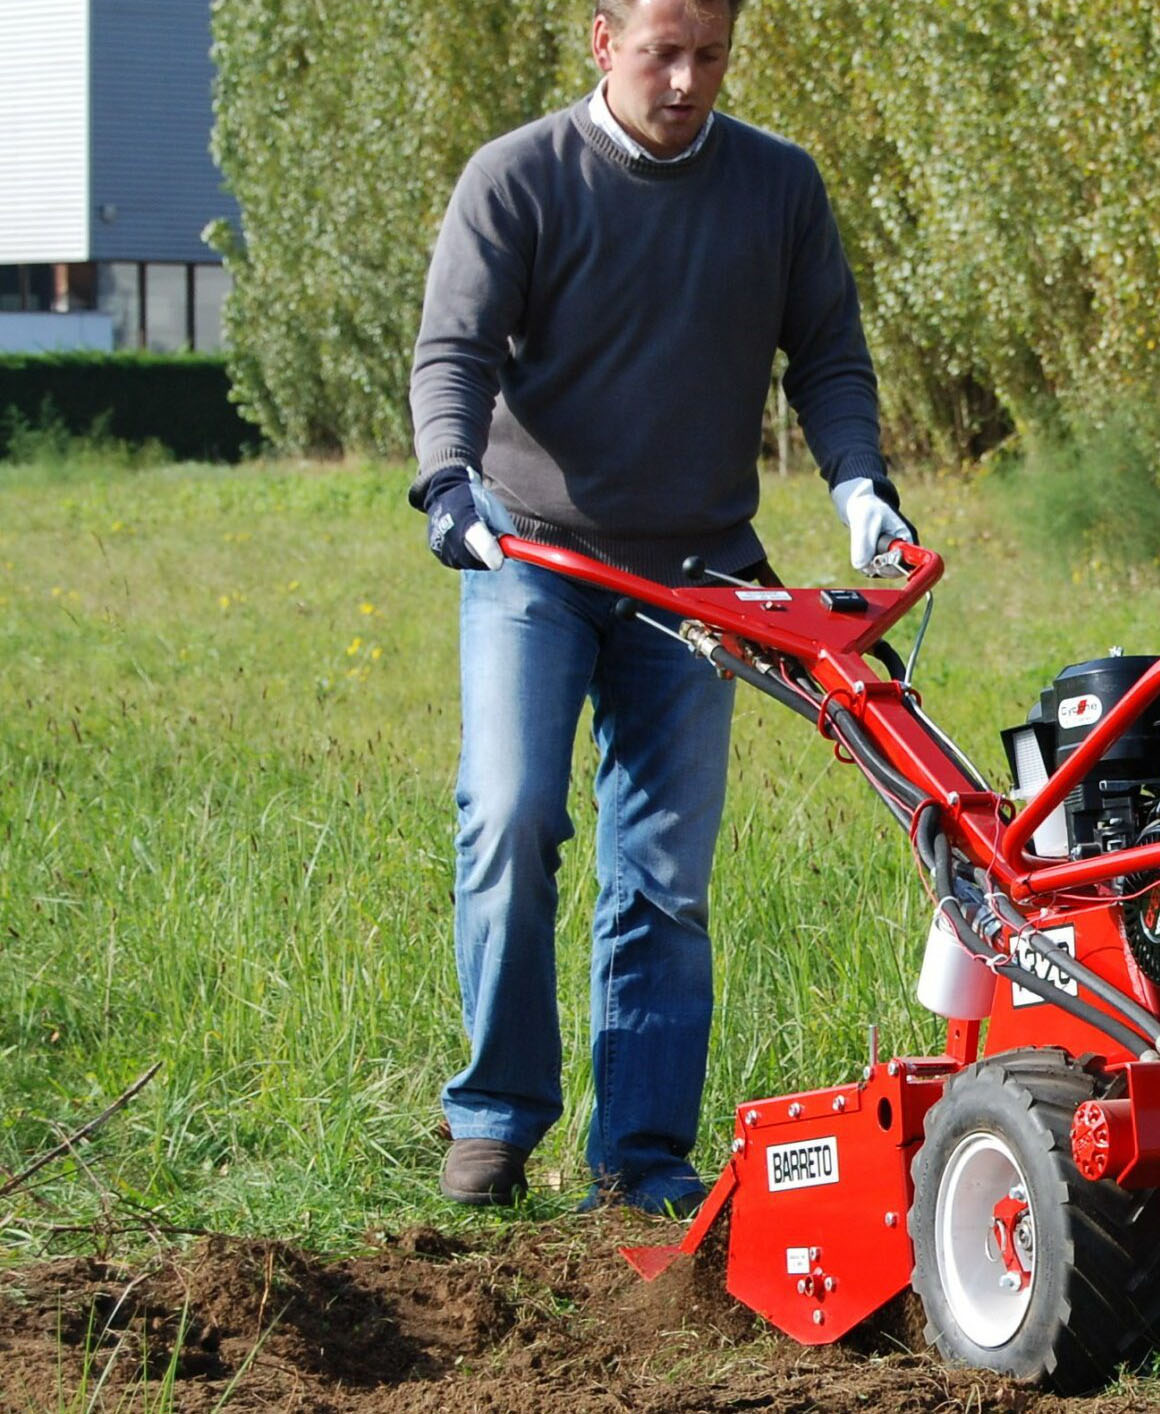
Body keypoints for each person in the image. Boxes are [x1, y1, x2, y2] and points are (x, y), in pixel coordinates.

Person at [406, 0, 913, 1213]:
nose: (687, 81)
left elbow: (829, 354)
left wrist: (856, 478)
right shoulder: (519, 177)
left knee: (664, 874)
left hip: (699, 577)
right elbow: (454, 350)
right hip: (536, 557)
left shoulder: (777, 186)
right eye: (662, 53)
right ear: (602, 42)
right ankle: (495, 1117)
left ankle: (637, 1157)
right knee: (512, 814)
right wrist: (448, 478)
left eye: (712, 56)